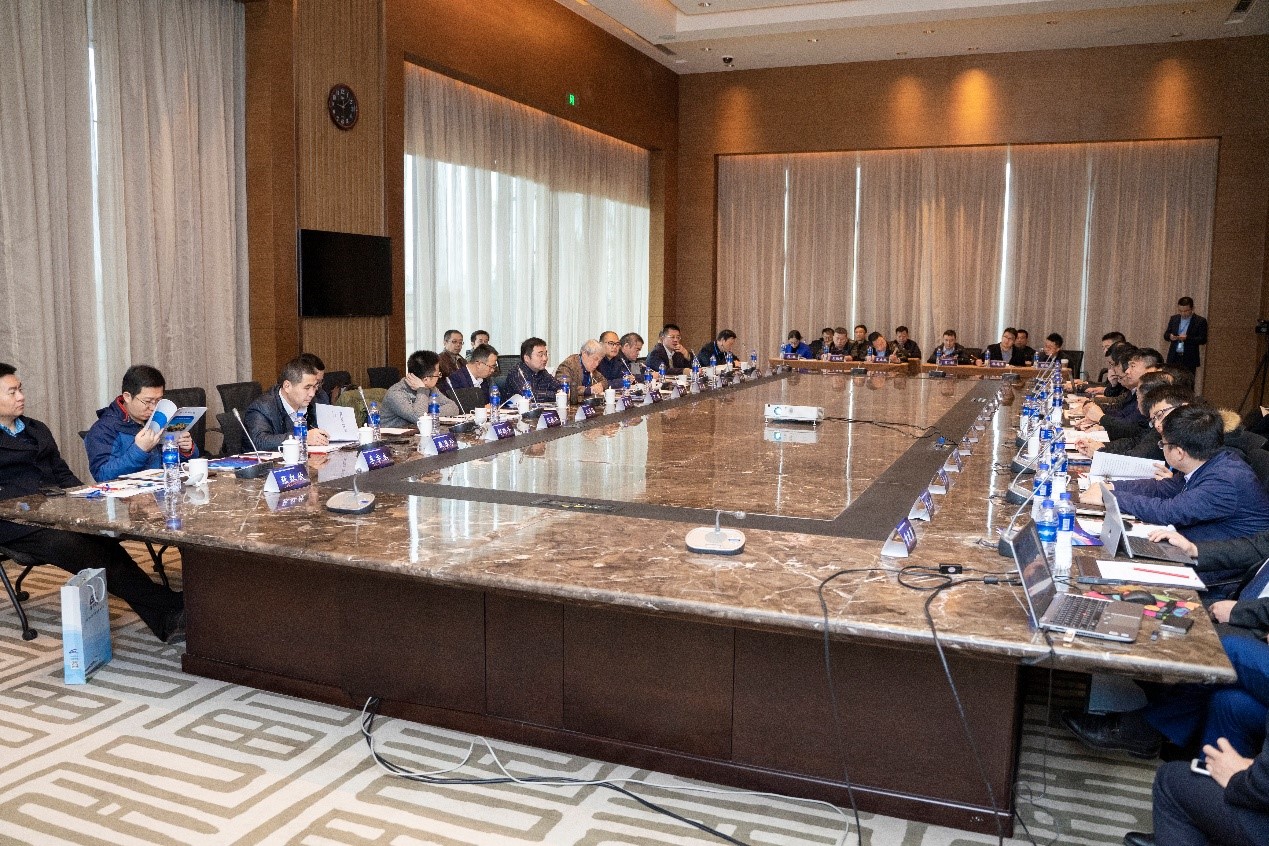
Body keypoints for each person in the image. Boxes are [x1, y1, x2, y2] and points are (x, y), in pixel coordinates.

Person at [0, 363, 185, 642]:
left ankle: (164, 617)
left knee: (103, 539)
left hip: (56, 510)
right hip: (16, 520)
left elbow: (62, 473)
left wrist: (86, 499)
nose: (21, 396)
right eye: (12, 392)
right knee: (80, 548)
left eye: (20, 389)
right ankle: (166, 606)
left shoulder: (36, 429)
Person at [1079, 405, 1269, 544]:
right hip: (1190, 542)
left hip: (1211, 566)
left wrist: (1110, 497)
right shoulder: (1208, 461)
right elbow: (1163, 488)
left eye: (1162, 444)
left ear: (1179, 452)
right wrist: (1112, 487)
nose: (1161, 448)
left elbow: (1168, 512)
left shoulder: (1224, 480)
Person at [85, 365, 198, 483]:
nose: (153, 407)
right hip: (129, 493)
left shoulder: (161, 416)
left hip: (164, 486)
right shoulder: (103, 429)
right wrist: (140, 450)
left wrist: (185, 450)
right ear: (127, 397)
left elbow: (177, 466)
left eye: (158, 400)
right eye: (148, 401)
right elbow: (102, 475)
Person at [244, 357, 331, 451]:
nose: (312, 394)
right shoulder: (262, 407)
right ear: (287, 386)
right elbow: (260, 442)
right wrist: (302, 437)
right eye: (307, 388)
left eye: (314, 387)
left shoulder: (314, 401)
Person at [381, 350, 458, 428]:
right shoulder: (396, 393)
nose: (439, 377)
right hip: (392, 435)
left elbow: (453, 408)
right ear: (426, 380)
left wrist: (427, 413)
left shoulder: (431, 388)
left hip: (418, 433)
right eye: (438, 374)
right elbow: (420, 418)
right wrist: (422, 390)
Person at [503, 337, 561, 402]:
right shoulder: (516, 373)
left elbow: (560, 388)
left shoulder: (542, 371)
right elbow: (529, 396)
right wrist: (556, 395)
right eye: (540, 355)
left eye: (545, 354)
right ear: (527, 358)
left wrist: (560, 393)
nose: (545, 359)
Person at [444, 342, 499, 407]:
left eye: (494, 367)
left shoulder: (485, 379)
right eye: (491, 367)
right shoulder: (456, 380)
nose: (492, 370)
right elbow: (461, 408)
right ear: (479, 364)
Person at [555, 339, 609, 404]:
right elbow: (564, 389)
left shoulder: (591, 368)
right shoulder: (567, 366)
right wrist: (588, 390)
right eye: (595, 359)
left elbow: (605, 382)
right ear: (584, 354)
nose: (597, 364)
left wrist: (601, 386)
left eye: (599, 361)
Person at [1165, 296, 1209, 373]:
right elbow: (1166, 335)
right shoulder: (1174, 319)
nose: (1183, 313)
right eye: (1180, 311)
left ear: (1192, 308)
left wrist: (1187, 338)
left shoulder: (1200, 321)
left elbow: (1203, 339)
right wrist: (1170, 336)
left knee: (1187, 379)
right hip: (1174, 356)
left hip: (1189, 357)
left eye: (1186, 311)